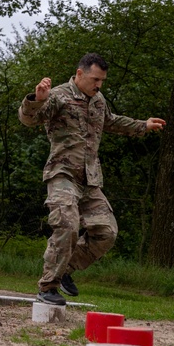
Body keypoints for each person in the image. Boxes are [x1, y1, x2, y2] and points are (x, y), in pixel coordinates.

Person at [18, 52, 165, 306]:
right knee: (67, 224)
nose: (99, 85)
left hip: (90, 180)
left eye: (102, 81)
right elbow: (29, 120)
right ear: (79, 74)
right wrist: (36, 100)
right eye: (95, 79)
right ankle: (48, 286)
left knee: (107, 233)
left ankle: (65, 270)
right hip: (63, 174)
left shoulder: (98, 100)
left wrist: (143, 125)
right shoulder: (59, 96)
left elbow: (111, 121)